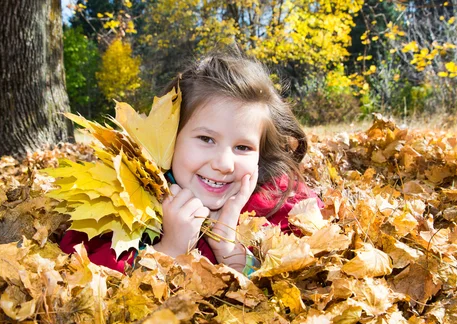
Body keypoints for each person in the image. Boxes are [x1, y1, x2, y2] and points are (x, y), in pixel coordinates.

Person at [60, 52, 322, 275]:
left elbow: (289, 288)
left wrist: (227, 247)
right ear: (170, 136)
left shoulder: (277, 204)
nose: (223, 164)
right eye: (206, 139)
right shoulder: (125, 203)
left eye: (243, 147)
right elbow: (90, 280)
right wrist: (170, 248)